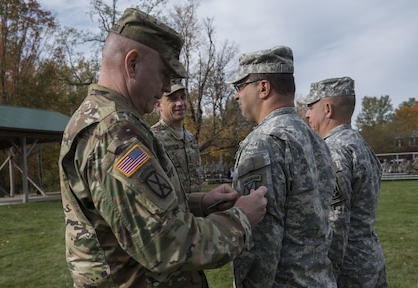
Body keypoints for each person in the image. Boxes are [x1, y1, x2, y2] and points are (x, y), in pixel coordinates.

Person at [58, 8, 268, 288]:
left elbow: (136, 211)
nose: (167, 87)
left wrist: (200, 203)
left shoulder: (114, 121)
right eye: (164, 74)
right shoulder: (114, 133)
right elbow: (167, 246)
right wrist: (241, 218)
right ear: (132, 64)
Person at [226, 46, 336, 287]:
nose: (236, 96)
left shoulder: (264, 142)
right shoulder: (315, 139)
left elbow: (257, 241)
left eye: (240, 86)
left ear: (263, 88)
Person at [301, 76, 388, 287]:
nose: (307, 114)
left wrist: (326, 273)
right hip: (370, 258)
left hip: (348, 270)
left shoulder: (333, 150)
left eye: (311, 107)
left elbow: (335, 221)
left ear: (328, 109)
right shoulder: (361, 144)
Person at [152, 81, 203, 193]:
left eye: (183, 97)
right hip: (172, 209)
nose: (180, 103)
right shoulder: (153, 138)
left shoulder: (190, 138)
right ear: (158, 104)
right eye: (173, 99)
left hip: (198, 207)